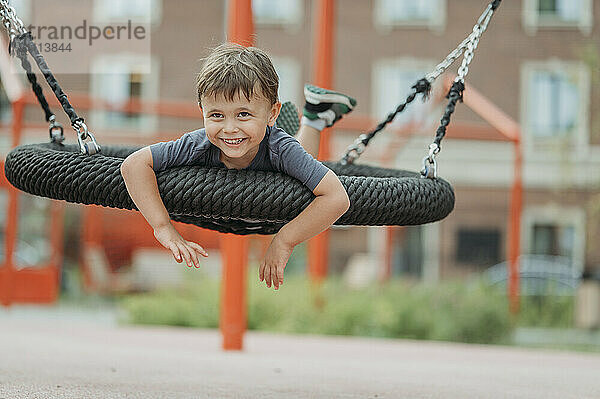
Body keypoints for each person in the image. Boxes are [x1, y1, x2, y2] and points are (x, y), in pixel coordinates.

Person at [120, 42, 356, 290]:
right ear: (202, 112)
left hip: (277, 182)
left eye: (243, 114)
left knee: (299, 171)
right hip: (258, 174)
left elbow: (337, 198)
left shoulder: (280, 148)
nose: (229, 128)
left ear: (272, 113)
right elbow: (134, 166)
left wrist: (285, 240)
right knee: (295, 160)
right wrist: (163, 227)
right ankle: (306, 117)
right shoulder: (197, 143)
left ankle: (313, 118)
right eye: (216, 115)